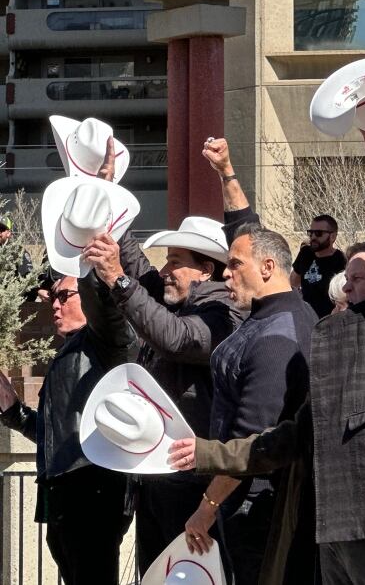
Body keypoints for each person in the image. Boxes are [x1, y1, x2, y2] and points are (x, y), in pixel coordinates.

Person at [169, 121, 365, 585]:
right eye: (347, 277)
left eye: (358, 277)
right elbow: (289, 436)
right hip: (330, 529)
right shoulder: (330, 337)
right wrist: (207, 453)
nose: (345, 284)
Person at [81, 138, 243, 575]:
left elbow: (175, 338)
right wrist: (109, 200)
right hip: (161, 474)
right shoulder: (176, 301)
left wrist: (116, 278)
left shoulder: (221, 314)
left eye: (175, 260)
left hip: (192, 480)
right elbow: (137, 270)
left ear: (205, 270)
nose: (165, 269)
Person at [176, 137, 318, 585]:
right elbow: (247, 228)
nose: (225, 272)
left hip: (259, 508)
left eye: (235, 265)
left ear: (270, 268)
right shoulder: (269, 309)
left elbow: (251, 441)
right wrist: (226, 171)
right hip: (241, 500)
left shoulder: (279, 338)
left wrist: (206, 507)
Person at [0, 275, 135, 585]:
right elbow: (53, 435)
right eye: (54, 298)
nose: (56, 306)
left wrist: (86, 261)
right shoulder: (69, 353)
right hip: (62, 492)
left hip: (94, 489)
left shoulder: (105, 342)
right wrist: (13, 411)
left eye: (65, 296)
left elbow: (109, 311)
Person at [291, 214, 347, 317]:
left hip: (327, 320)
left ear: (333, 236)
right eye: (311, 233)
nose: (313, 237)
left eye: (318, 233)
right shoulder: (305, 253)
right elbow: (293, 283)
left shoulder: (341, 260)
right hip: (305, 318)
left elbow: (344, 297)